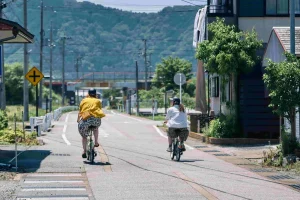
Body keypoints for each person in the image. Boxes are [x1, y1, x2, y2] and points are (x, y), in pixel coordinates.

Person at [77, 88, 105, 158]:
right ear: (95, 94)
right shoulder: (98, 101)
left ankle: (84, 151)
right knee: (96, 128)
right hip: (96, 120)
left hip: (86, 119)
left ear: (88, 94)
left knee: (84, 137)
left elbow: (80, 111)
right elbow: (99, 110)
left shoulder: (83, 100)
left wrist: (78, 119)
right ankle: (96, 142)